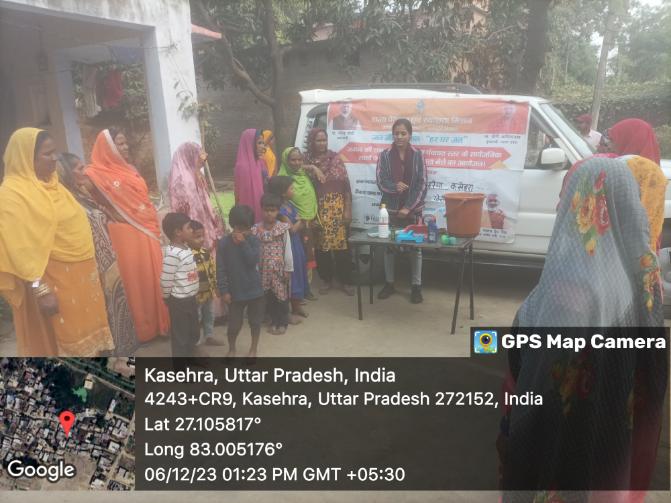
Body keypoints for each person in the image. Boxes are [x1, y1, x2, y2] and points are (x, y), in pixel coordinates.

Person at [499, 157, 667, 503]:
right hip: (611, 439)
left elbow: (528, 369)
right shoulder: (646, 283)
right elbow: (651, 372)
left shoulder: (562, 288)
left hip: (556, 441)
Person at [0, 128, 114, 356]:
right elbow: (18, 251)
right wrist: (41, 290)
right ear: (26, 158)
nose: (54, 159)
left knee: (91, 346)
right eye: (47, 154)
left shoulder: (55, 186)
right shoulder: (12, 195)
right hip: (52, 283)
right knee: (62, 346)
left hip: (83, 278)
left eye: (55, 152)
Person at [85, 127, 170, 343]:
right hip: (124, 234)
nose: (125, 147)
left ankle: (160, 325)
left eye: (125, 143)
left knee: (153, 276)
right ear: (107, 147)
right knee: (134, 281)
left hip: (147, 229)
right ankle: (142, 331)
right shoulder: (93, 174)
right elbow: (87, 200)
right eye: (119, 143)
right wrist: (108, 212)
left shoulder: (130, 169)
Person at [58, 152, 138, 355]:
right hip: (91, 265)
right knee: (103, 313)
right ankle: (111, 359)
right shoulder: (65, 201)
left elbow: (109, 212)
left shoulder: (82, 195)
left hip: (108, 261)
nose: (84, 171)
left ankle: (125, 358)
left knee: (118, 307)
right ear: (66, 173)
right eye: (79, 168)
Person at [375, 118, 427, 304]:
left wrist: (408, 207)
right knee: (389, 247)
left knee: (416, 249)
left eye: (403, 133)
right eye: (396, 133)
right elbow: (380, 181)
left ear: (410, 135)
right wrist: (394, 187)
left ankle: (416, 287)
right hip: (390, 210)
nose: (399, 137)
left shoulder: (418, 155)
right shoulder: (385, 155)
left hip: (413, 211)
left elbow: (422, 184)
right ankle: (389, 283)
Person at [304, 128, 354, 296]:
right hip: (317, 209)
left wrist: (347, 210)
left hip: (337, 208)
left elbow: (346, 186)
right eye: (318, 140)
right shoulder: (306, 160)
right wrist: (313, 167)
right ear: (312, 142)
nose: (322, 143)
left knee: (342, 247)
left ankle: (346, 281)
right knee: (321, 247)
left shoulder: (335, 159)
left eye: (324, 140)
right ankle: (326, 279)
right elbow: (293, 168)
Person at [217, 205, 264, 358]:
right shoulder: (224, 243)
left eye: (245, 228)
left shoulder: (254, 240)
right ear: (232, 225)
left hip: (254, 290)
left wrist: (244, 243)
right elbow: (220, 268)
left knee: (255, 322)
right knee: (234, 325)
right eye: (238, 227)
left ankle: (253, 349)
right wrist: (224, 291)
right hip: (235, 291)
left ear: (250, 227)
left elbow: (252, 261)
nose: (241, 231)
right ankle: (232, 349)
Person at [278, 145, 320, 299]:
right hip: (293, 224)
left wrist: (313, 167)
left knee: (307, 256)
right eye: (293, 160)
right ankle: (294, 292)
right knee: (293, 258)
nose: (297, 163)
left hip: (307, 223)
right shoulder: (282, 179)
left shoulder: (303, 174)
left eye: (299, 160)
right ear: (286, 161)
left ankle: (306, 288)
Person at [268, 173, 309, 322]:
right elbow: (291, 229)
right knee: (291, 276)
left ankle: (297, 306)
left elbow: (295, 224)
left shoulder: (290, 205)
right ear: (283, 192)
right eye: (291, 188)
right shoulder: (280, 211)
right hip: (288, 246)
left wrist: (299, 222)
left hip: (296, 244)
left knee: (299, 272)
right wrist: (302, 221)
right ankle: (289, 311)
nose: (294, 191)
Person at [169, 142, 225, 251]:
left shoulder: (196, 173)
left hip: (203, 219)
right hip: (191, 222)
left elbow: (205, 198)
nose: (202, 161)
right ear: (190, 156)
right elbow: (181, 207)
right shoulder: (181, 180)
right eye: (198, 157)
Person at [253, 193, 293, 335]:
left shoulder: (282, 229)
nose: (269, 213)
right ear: (261, 209)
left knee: (281, 296)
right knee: (268, 296)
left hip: (279, 269)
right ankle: (273, 321)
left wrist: (288, 268)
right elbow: (254, 249)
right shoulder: (256, 229)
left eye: (273, 210)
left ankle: (282, 323)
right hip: (263, 270)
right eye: (266, 210)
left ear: (278, 211)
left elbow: (287, 249)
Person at [160, 213, 200, 357]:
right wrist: (166, 297)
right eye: (188, 228)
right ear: (178, 232)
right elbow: (166, 279)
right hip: (179, 301)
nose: (192, 230)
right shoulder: (172, 254)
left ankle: (190, 355)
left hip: (191, 298)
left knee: (193, 331)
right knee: (180, 335)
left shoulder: (186, 248)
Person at [187, 220, 223, 346]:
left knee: (209, 315)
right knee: (196, 318)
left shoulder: (205, 252)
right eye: (197, 237)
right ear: (187, 237)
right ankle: (195, 343)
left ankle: (209, 336)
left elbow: (212, 270)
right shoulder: (187, 255)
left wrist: (216, 287)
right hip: (195, 295)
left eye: (202, 236)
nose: (201, 239)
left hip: (208, 293)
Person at [234, 129, 269, 222]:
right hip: (249, 210)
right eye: (259, 143)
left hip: (263, 205)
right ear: (249, 144)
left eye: (263, 143)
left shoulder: (260, 162)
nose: (263, 146)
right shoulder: (242, 166)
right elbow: (240, 193)